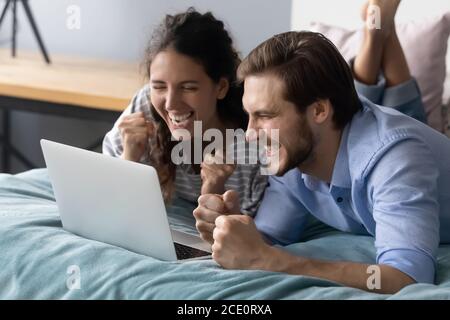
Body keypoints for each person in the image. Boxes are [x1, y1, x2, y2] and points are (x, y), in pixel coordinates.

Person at [193, 0, 450, 294]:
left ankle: (379, 30)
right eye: (250, 116)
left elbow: (406, 278)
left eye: (264, 116)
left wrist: (275, 261)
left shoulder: (395, 159)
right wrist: (231, 226)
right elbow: (269, 239)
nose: (250, 134)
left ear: (318, 111)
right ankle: (381, 29)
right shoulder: (291, 154)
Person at [103, 8, 268, 225]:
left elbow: (250, 238)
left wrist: (213, 189)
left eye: (188, 87)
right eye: (159, 86)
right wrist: (129, 158)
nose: (170, 103)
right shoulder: (145, 105)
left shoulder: (255, 141)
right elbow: (108, 199)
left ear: (220, 87)